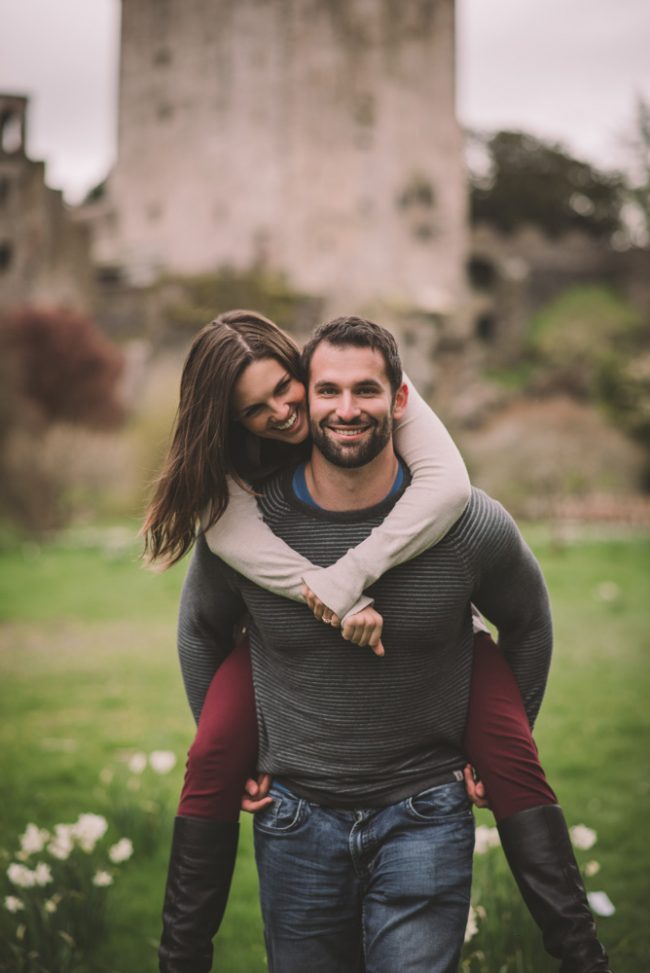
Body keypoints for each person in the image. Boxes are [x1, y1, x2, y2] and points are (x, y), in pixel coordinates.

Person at [143, 311, 611, 973]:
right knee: (213, 757)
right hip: (295, 814)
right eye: (261, 406)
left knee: (511, 750)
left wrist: (352, 575)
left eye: (289, 389)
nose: (289, 411)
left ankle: (584, 955)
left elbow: (516, 599)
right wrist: (246, 746)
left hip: (425, 806)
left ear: (397, 395)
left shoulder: (464, 514)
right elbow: (201, 625)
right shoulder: (234, 509)